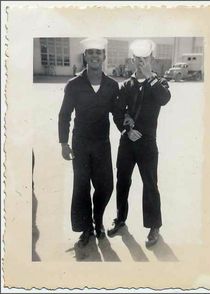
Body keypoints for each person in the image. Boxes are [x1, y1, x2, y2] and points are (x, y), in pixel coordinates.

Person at [58, 38, 122, 247]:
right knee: (81, 187)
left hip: (102, 144)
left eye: (99, 52)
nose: (95, 56)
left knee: (105, 186)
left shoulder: (112, 86)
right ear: (85, 56)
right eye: (91, 52)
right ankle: (86, 228)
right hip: (81, 144)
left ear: (104, 57)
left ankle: (98, 219)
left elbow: (118, 114)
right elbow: (64, 115)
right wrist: (63, 143)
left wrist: (127, 124)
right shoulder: (74, 84)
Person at [107, 39, 171, 247]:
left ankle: (154, 226)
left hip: (148, 143)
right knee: (122, 180)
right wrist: (126, 127)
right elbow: (117, 111)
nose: (141, 63)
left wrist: (151, 76)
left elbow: (164, 99)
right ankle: (120, 219)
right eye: (138, 59)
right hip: (127, 142)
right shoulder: (126, 85)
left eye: (145, 59)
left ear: (151, 59)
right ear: (133, 60)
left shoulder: (158, 82)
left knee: (150, 184)